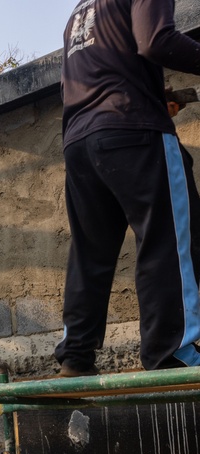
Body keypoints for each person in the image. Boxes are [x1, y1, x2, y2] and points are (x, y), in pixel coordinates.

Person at [55, 0, 200, 375]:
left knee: (91, 250)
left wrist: (151, 95)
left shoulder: (80, 11)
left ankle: (76, 354)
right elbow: (155, 40)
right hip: (131, 131)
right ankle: (172, 353)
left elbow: (104, 74)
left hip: (79, 142)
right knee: (167, 239)